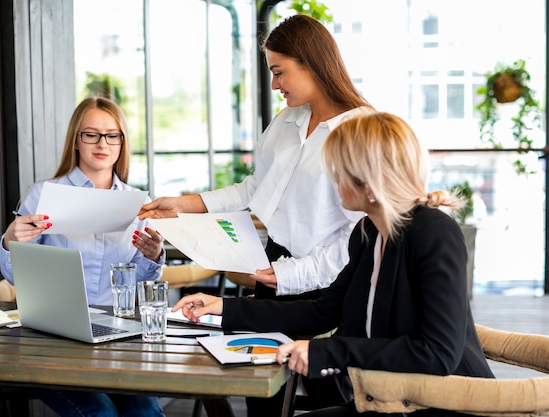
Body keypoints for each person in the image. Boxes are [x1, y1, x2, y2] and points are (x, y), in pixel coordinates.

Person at [174, 112, 496, 417]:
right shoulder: (368, 233)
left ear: (368, 183)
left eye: (338, 171)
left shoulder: (434, 233)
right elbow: (321, 311)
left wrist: (329, 353)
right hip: (389, 404)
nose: (333, 179)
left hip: (446, 407)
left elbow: (437, 354)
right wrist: (222, 307)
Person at [138, 14, 374, 302]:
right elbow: (256, 187)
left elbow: (359, 236)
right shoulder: (286, 121)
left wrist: (295, 275)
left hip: (327, 283)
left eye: (279, 72)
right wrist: (184, 205)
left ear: (311, 64)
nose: (274, 85)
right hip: (274, 265)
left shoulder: (361, 131)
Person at [0, 96, 166, 417]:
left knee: (145, 413)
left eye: (111, 135)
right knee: (100, 413)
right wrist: (10, 241)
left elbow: (142, 281)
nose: (102, 143)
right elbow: (18, 277)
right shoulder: (43, 194)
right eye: (90, 134)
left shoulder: (137, 203)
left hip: (118, 334)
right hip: (54, 336)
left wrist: (154, 256)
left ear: (122, 142)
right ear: (76, 140)